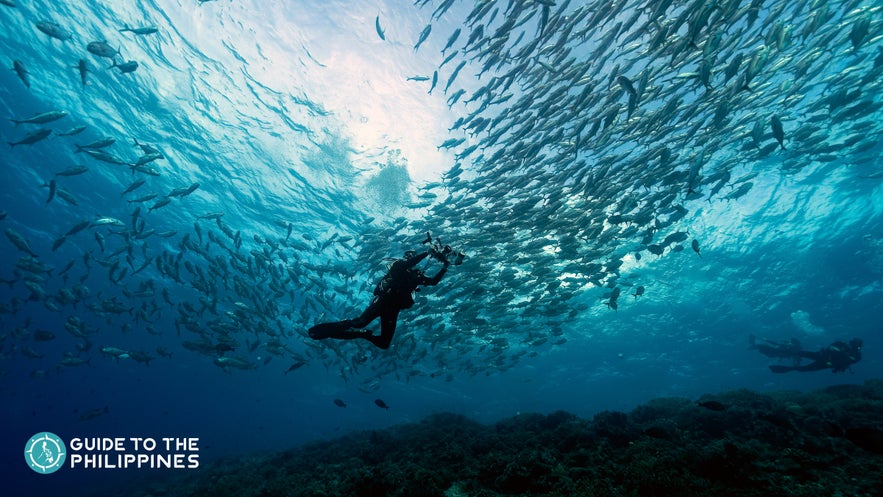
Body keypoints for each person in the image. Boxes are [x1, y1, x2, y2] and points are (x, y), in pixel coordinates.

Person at [308, 246, 454, 349]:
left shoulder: (416, 276)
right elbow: (408, 263)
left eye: (411, 256)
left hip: (393, 310)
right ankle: (324, 331)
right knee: (358, 323)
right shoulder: (397, 266)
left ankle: (363, 335)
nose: (409, 258)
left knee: (384, 343)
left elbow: (433, 282)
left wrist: (445, 267)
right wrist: (426, 253)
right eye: (409, 256)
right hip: (383, 302)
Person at [750, 335, 863, 373]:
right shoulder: (842, 344)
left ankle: (764, 346)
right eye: (854, 343)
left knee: (804, 368)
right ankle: (765, 344)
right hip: (821, 356)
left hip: (826, 363)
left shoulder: (857, 355)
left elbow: (849, 361)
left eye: (856, 344)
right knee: (797, 352)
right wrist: (836, 350)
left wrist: (839, 354)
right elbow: (830, 347)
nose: (853, 344)